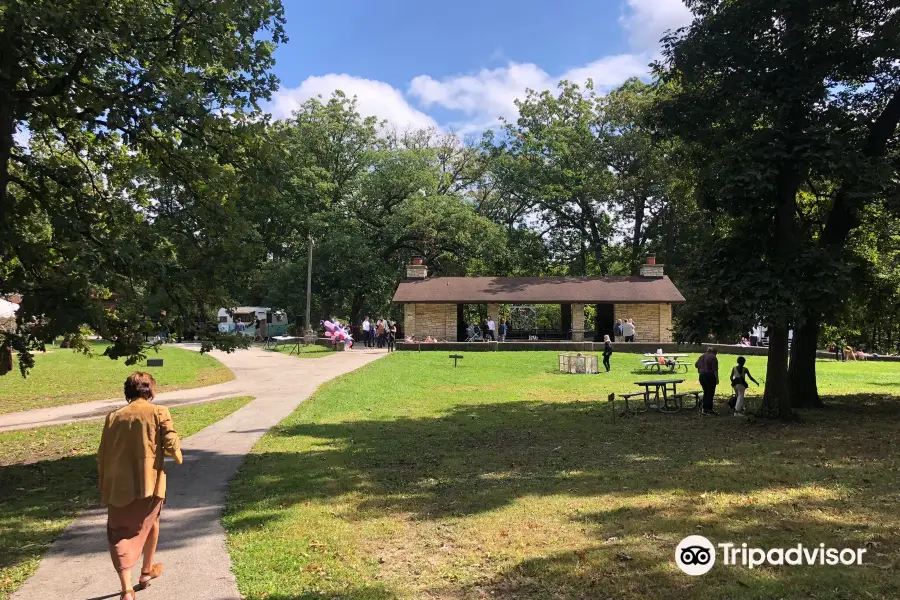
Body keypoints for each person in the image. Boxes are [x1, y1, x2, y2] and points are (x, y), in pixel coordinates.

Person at [98, 372, 183, 600]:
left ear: (128, 391)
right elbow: (170, 440)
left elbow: (103, 451)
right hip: (150, 481)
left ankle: (127, 588)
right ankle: (145, 572)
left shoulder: (113, 416)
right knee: (152, 520)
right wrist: (177, 454)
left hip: (118, 484)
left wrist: (104, 480)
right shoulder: (158, 411)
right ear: (150, 390)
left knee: (119, 532)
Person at [695, 347, 719, 415]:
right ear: (715, 352)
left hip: (702, 376)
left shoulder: (702, 356)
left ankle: (704, 408)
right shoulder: (713, 357)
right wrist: (717, 378)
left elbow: (696, 365)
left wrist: (701, 367)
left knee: (706, 392)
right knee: (710, 393)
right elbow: (715, 369)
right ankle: (709, 409)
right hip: (710, 376)